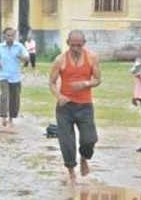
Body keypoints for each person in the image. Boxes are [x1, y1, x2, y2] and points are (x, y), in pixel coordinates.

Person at [49, 30, 101, 186]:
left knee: (90, 139)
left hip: (85, 105)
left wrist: (85, 83)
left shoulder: (92, 58)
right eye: (73, 45)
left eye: (79, 45)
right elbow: (51, 83)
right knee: (67, 142)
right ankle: (71, 173)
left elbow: (98, 79)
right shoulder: (60, 60)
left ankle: (84, 158)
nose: (76, 48)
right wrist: (59, 96)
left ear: (84, 43)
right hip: (65, 107)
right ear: (67, 43)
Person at [0, 27, 29, 127]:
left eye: (12, 35)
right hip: (4, 76)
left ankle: (11, 118)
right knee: (4, 96)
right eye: (8, 35)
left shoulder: (19, 47)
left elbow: (27, 58)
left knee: (15, 98)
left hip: (16, 76)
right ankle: (3, 117)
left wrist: (23, 57)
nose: (10, 37)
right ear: (4, 36)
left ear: (15, 36)